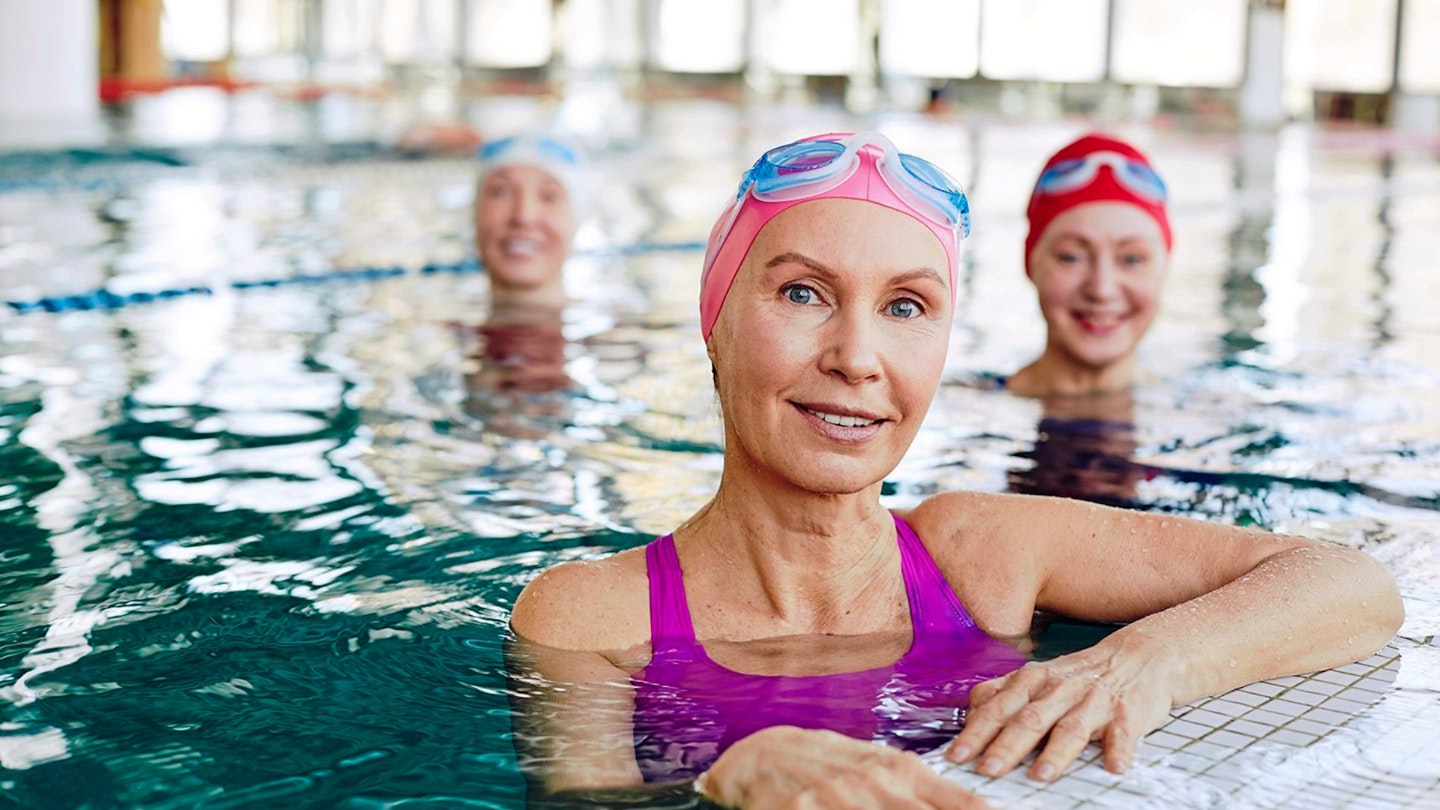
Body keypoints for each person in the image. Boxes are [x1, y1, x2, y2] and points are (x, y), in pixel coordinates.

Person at [505, 131, 1402, 808]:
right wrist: (717, 784)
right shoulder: (590, 615)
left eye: (906, 307)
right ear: (718, 314)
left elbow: (1348, 583)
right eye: (803, 293)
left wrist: (1137, 663)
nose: (858, 357)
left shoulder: (983, 551)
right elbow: (589, 802)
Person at [1004, 133, 1172, 398]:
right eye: (1071, 257)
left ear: (1164, 269)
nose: (1102, 289)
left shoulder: (1212, 414)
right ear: (1030, 263)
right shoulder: (960, 411)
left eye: (1132, 259)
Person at [474, 133, 586, 309]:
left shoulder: (620, 332)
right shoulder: (438, 330)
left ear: (577, 222)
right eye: (501, 192)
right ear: (475, 214)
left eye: (549, 196)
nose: (523, 216)